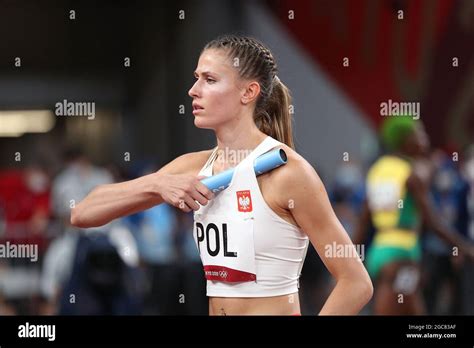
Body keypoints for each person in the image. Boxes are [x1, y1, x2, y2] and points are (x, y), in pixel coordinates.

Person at [72, 34, 373, 315]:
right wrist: (156, 183)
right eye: (196, 79)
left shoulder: (288, 173)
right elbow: (83, 213)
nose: (193, 90)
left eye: (210, 79)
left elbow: (356, 282)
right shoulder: (191, 167)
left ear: (248, 92)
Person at [353, 116, 474, 315]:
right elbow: (433, 222)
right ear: (405, 139)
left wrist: (348, 257)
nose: (424, 139)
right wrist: (464, 248)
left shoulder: (377, 171)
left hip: (381, 252)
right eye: (419, 133)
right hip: (401, 256)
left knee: (413, 310)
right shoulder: (411, 174)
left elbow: (364, 220)